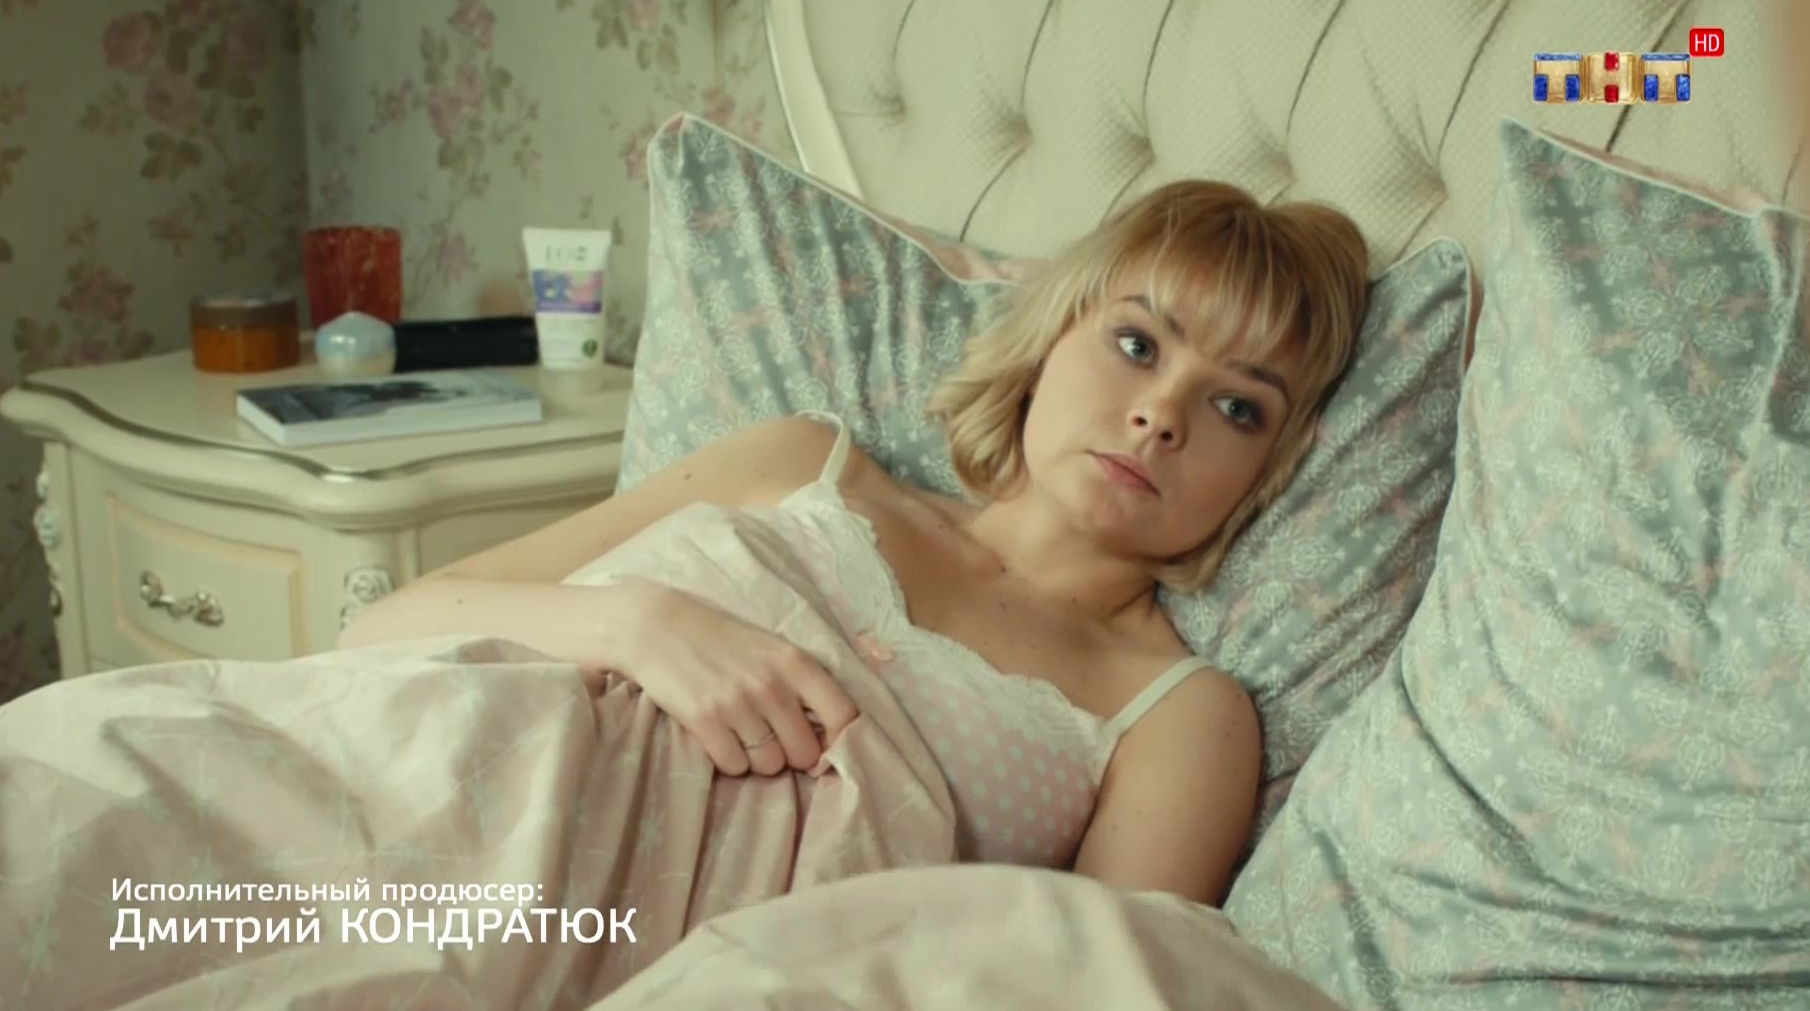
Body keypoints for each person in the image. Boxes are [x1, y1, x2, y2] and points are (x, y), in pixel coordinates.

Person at [340, 180, 1369, 906]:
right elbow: (381, 628)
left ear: (1269, 468)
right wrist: (635, 624)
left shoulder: (1180, 717)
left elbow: (1094, 981)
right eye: (1137, 344)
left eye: (1237, 408)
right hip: (399, 795)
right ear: (1054, 334)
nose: (1159, 416)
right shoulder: (802, 462)